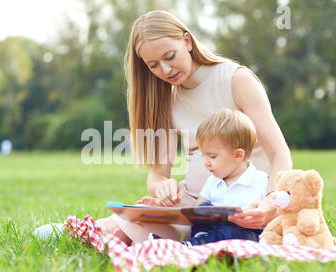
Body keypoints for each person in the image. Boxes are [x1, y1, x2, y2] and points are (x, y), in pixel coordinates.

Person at [33, 10, 292, 244]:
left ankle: (94, 232)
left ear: (187, 42)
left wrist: (271, 201)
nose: (165, 70)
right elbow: (157, 175)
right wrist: (164, 188)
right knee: (133, 223)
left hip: (248, 204)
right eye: (153, 65)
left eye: (170, 56)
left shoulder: (236, 79)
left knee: (127, 232)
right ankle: (92, 232)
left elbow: (279, 154)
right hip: (195, 208)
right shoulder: (166, 99)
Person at [138, 109, 268, 246]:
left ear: (237, 155)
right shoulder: (213, 181)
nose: (206, 162)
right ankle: (197, 241)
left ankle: (187, 247)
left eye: (212, 156)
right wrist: (162, 208)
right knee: (203, 208)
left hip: (244, 235)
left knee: (231, 233)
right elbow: (195, 210)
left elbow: (271, 215)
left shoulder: (260, 180)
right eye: (203, 155)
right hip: (210, 232)